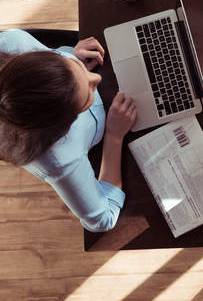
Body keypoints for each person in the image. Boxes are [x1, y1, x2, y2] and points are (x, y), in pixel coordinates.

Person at [0, 29, 137, 232]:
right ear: (66, 124)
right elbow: (102, 220)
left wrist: (70, 57)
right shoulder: (61, 160)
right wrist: (114, 137)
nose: (96, 80)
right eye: (87, 95)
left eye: (76, 69)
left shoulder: (13, 42)